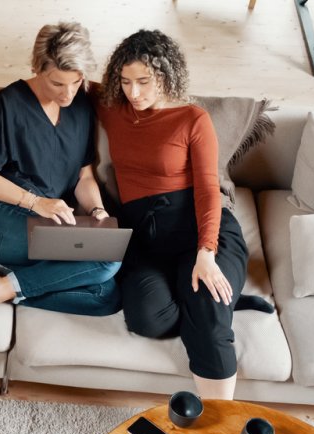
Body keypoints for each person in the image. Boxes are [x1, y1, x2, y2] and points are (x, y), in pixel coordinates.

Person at [95, 29, 252, 400]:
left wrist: (206, 252)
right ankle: (202, 300)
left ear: (166, 76)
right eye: (125, 81)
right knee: (147, 319)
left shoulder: (192, 119)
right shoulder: (112, 109)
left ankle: (219, 425)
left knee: (208, 305)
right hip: (147, 243)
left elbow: (207, 190)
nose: (133, 92)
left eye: (144, 82)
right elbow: (64, 75)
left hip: (200, 232)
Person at [0, 22, 122, 316]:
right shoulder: (8, 104)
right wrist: (36, 202)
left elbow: (84, 175)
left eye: (76, 82)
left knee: (105, 296)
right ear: (37, 67)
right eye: (57, 83)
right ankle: (1, 289)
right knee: (106, 261)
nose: (68, 94)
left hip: (49, 224)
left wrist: (97, 212)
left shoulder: (81, 106)